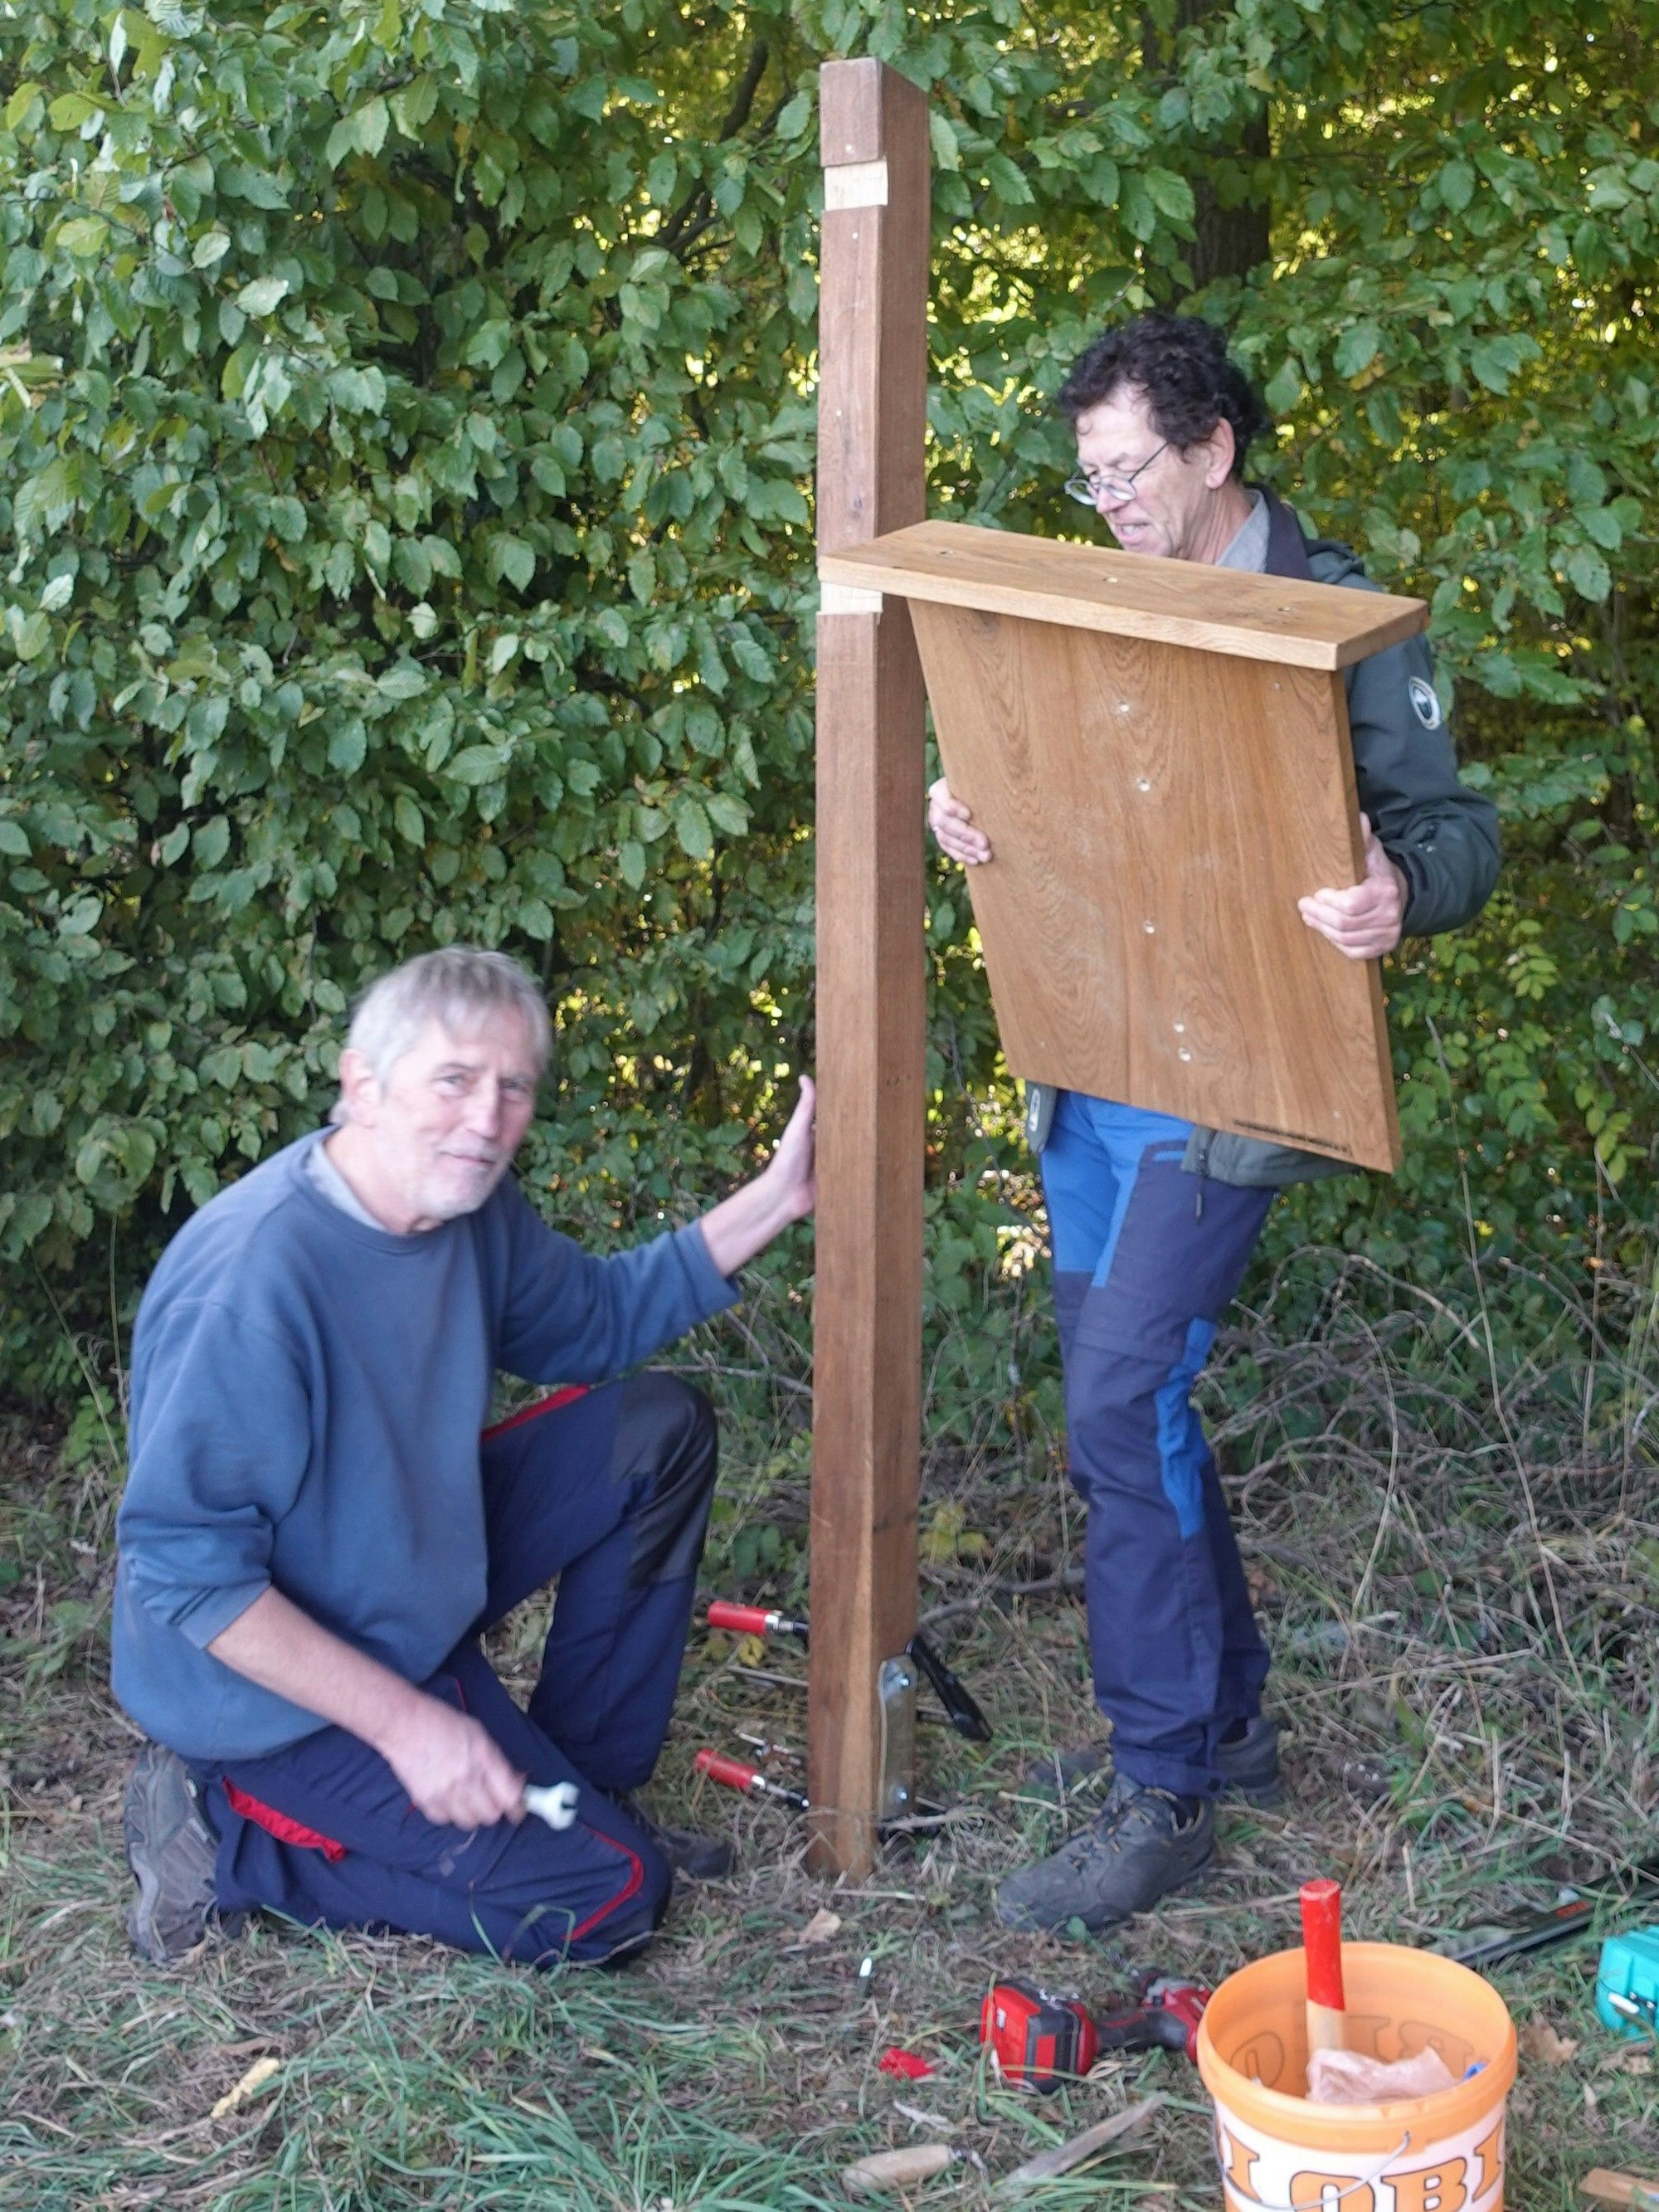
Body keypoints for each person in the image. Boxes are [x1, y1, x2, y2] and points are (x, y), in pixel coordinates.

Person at [928, 314, 1499, 1933]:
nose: (1098, 498)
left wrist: (1403, 890)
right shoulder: (1094, 591)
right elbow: (1046, 782)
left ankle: (1160, 1784)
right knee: (1140, 1402)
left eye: (1123, 472)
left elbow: (1456, 832)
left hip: (1228, 1077)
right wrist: (967, 806)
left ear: (1211, 452)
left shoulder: (1337, 612)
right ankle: (1227, 1722)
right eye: (1086, 472)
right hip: (1087, 1060)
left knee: (1118, 1401)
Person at [113, 946, 815, 1967]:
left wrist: (777, 1196)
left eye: (513, 1087)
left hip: (389, 1576)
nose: (486, 1119)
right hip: (255, 1688)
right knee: (607, 1897)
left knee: (653, 1432)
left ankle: (582, 1777)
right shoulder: (253, 1283)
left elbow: (598, 1317)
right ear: (362, 1083)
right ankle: (226, 1831)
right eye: (454, 1080)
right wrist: (407, 1726)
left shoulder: (469, 1210)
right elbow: (184, 1570)